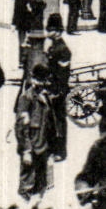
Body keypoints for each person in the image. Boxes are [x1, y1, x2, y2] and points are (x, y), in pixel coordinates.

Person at [14, 62, 56, 208]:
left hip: (43, 147)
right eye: (38, 80)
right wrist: (26, 150)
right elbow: (21, 126)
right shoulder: (26, 98)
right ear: (33, 79)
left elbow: (51, 124)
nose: (41, 83)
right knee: (27, 184)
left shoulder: (45, 97)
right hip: (31, 147)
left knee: (42, 183)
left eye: (43, 81)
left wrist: (53, 148)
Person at [42, 16, 72, 162]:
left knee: (59, 121)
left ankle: (61, 151)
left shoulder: (63, 49)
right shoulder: (53, 46)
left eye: (51, 30)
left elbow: (63, 75)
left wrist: (57, 91)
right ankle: (53, 149)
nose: (48, 32)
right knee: (50, 120)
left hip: (58, 90)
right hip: (52, 88)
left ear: (58, 32)